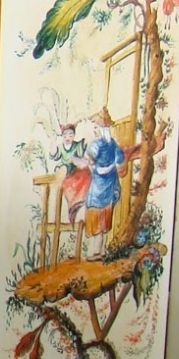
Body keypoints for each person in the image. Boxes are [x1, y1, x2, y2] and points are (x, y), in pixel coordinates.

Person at [82, 108, 126, 259]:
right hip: (109, 187)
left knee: (97, 220)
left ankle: (96, 252)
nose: (94, 130)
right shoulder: (113, 144)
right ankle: (100, 251)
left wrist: (95, 167)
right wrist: (111, 167)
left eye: (96, 126)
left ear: (101, 128)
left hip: (99, 189)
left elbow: (89, 158)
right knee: (104, 221)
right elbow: (120, 162)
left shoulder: (98, 145)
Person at [51, 122, 89, 225]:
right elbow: (54, 154)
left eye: (71, 135)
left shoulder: (77, 146)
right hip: (65, 170)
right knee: (63, 174)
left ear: (74, 135)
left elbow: (82, 155)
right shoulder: (61, 147)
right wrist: (53, 142)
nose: (68, 138)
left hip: (75, 171)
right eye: (65, 136)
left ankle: (77, 202)